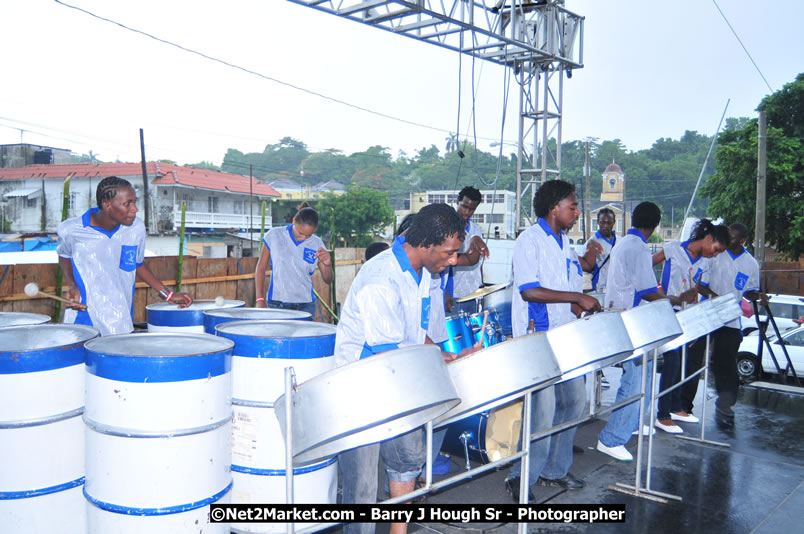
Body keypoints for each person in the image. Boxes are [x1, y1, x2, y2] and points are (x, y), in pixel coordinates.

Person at [335, 203, 477, 534]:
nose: (454, 260)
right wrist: (440, 361)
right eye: (450, 252)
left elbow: (413, 332)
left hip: (400, 380)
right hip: (363, 387)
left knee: (407, 462)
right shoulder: (379, 280)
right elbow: (391, 350)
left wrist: (448, 355)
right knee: (363, 489)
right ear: (427, 242)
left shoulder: (425, 272)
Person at [504, 179, 601, 502]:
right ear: (553, 208)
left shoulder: (565, 244)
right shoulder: (529, 241)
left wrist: (578, 304)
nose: (576, 212)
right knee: (541, 412)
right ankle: (520, 478)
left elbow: (563, 289)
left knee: (573, 402)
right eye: (572, 207)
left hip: (565, 337)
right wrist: (575, 296)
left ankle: (554, 470)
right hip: (537, 337)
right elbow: (529, 290)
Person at [595, 202, 697, 461]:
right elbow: (647, 290)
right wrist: (675, 299)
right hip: (631, 320)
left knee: (644, 377)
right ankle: (611, 438)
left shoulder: (625, 243)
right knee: (634, 381)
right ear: (654, 226)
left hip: (629, 317)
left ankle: (632, 423)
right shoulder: (638, 247)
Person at [57, 176, 192, 336]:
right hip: (83, 317)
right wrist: (72, 285)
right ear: (108, 205)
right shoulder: (71, 229)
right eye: (127, 203)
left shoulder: (135, 228)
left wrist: (167, 294)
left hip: (120, 320)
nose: (134, 209)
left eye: (135, 202)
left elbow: (136, 263)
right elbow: (64, 255)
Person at [652, 218, 729, 433]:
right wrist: (661, 296)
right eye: (715, 249)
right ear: (708, 238)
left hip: (686, 315)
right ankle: (663, 414)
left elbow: (695, 290)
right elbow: (645, 268)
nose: (714, 254)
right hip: (667, 311)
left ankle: (676, 407)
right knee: (673, 362)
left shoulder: (705, 261)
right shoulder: (672, 249)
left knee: (682, 363)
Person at [704, 223, 767, 425]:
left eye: (731, 238)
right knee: (696, 360)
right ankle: (683, 406)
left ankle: (726, 403)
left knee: (726, 361)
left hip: (731, 319)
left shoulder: (750, 263)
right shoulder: (717, 253)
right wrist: (717, 300)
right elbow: (701, 285)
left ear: (742, 241)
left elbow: (749, 291)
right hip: (707, 314)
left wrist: (758, 296)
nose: (726, 240)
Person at [254, 204, 333, 317]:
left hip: (306, 305)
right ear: (294, 221)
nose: (304, 238)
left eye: (308, 235)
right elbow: (261, 268)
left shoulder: (317, 243)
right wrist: (260, 298)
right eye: (301, 233)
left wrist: (328, 265)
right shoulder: (274, 235)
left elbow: (328, 280)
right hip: (278, 303)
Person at [446, 186, 490, 315]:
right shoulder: (447, 227)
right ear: (458, 201)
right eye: (464, 207)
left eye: (472, 209)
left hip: (474, 293)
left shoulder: (476, 230)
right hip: (453, 294)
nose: (467, 212)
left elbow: (478, 262)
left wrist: (482, 285)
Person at [583, 208, 617, 292]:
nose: (606, 225)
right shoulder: (591, 244)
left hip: (616, 289)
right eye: (603, 222)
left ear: (614, 222)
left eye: (609, 222)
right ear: (598, 222)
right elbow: (585, 271)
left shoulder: (619, 241)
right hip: (599, 290)